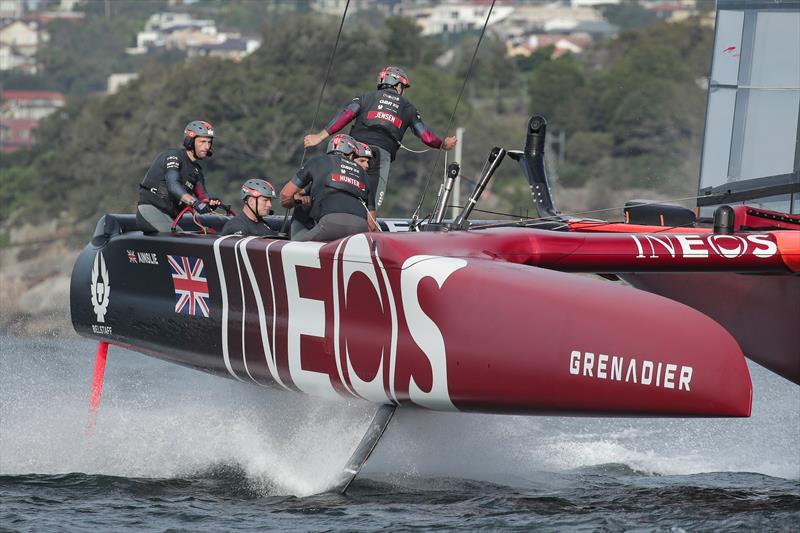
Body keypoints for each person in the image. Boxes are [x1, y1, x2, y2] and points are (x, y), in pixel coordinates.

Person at [304, 66, 457, 220]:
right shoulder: (407, 107)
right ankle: (364, 232)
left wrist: (319, 136)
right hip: (381, 154)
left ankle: (316, 214)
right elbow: (426, 136)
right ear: (398, 85)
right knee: (372, 206)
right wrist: (443, 144)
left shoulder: (365, 97)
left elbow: (346, 115)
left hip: (353, 151)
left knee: (339, 183)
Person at [280, 134, 372, 242]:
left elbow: (285, 195)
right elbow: (372, 224)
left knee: (297, 248)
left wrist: (292, 202)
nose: (367, 165)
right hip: (360, 230)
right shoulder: (364, 175)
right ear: (352, 156)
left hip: (330, 225)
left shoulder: (318, 161)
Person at [137, 120, 221, 233]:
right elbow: (173, 186)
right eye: (202, 142)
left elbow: (202, 196)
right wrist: (195, 203)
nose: (207, 146)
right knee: (182, 241)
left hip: (169, 218)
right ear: (190, 141)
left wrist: (210, 203)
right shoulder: (173, 156)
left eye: (209, 142)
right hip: (151, 210)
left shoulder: (196, 171)